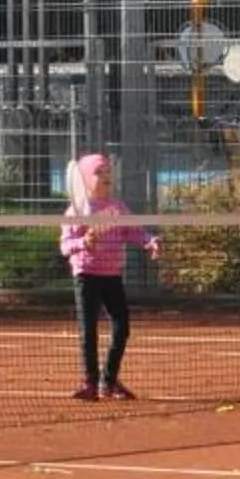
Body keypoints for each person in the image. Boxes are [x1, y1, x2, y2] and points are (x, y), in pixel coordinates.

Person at [60, 151, 159, 401]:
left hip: (112, 274)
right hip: (86, 274)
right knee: (88, 330)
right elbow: (65, 246)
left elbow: (134, 232)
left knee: (122, 327)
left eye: (108, 172)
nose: (106, 177)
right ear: (84, 178)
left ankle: (109, 381)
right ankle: (90, 382)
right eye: (98, 172)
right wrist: (84, 242)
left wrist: (149, 242)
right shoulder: (76, 211)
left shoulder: (118, 207)